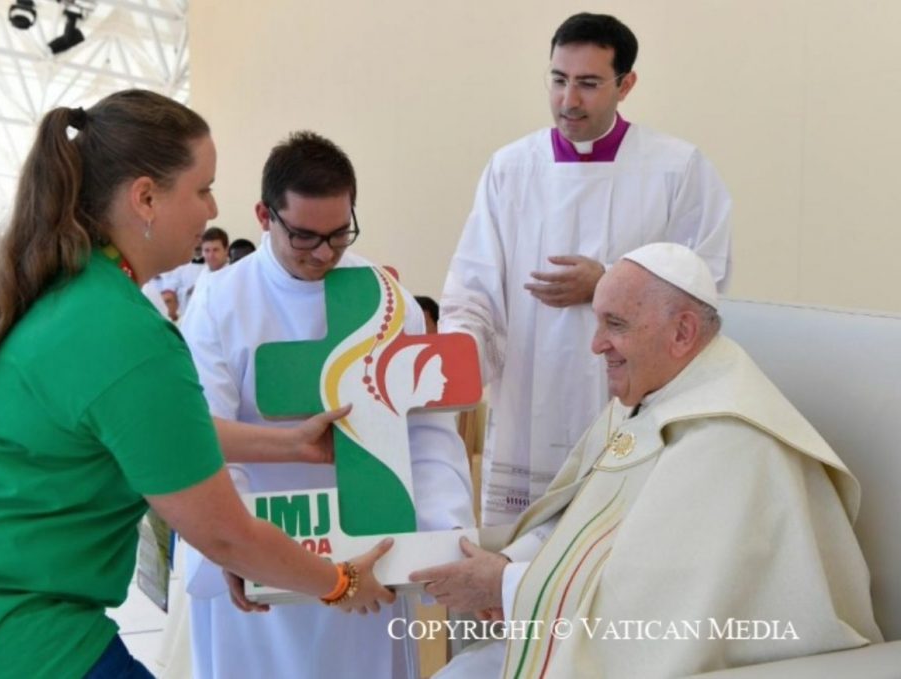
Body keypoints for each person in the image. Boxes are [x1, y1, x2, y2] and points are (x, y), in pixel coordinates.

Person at [0, 90, 397, 678]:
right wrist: (341, 582)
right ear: (146, 197)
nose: (211, 209)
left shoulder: (68, 289)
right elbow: (224, 535)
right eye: (202, 189)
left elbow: (155, 433)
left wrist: (290, 444)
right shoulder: (126, 332)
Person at [414, 243, 881, 678]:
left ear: (682, 332)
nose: (597, 344)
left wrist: (507, 586)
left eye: (615, 325)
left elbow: (653, 607)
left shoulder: (729, 440)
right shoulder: (648, 399)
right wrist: (506, 563)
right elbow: (579, 526)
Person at [180, 131, 475, 679]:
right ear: (264, 215)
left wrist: (445, 539)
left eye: (339, 234)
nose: (323, 253)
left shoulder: (386, 301)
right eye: (305, 236)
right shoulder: (220, 302)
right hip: (265, 546)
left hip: (368, 549)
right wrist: (232, 549)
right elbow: (205, 437)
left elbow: (427, 432)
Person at [440, 12, 733, 526]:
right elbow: (473, 288)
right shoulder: (511, 169)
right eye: (559, 80)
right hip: (529, 402)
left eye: (589, 84)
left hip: (631, 404)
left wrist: (608, 283)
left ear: (626, 85)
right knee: (523, 558)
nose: (568, 100)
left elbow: (705, 283)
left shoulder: (676, 168)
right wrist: (455, 363)